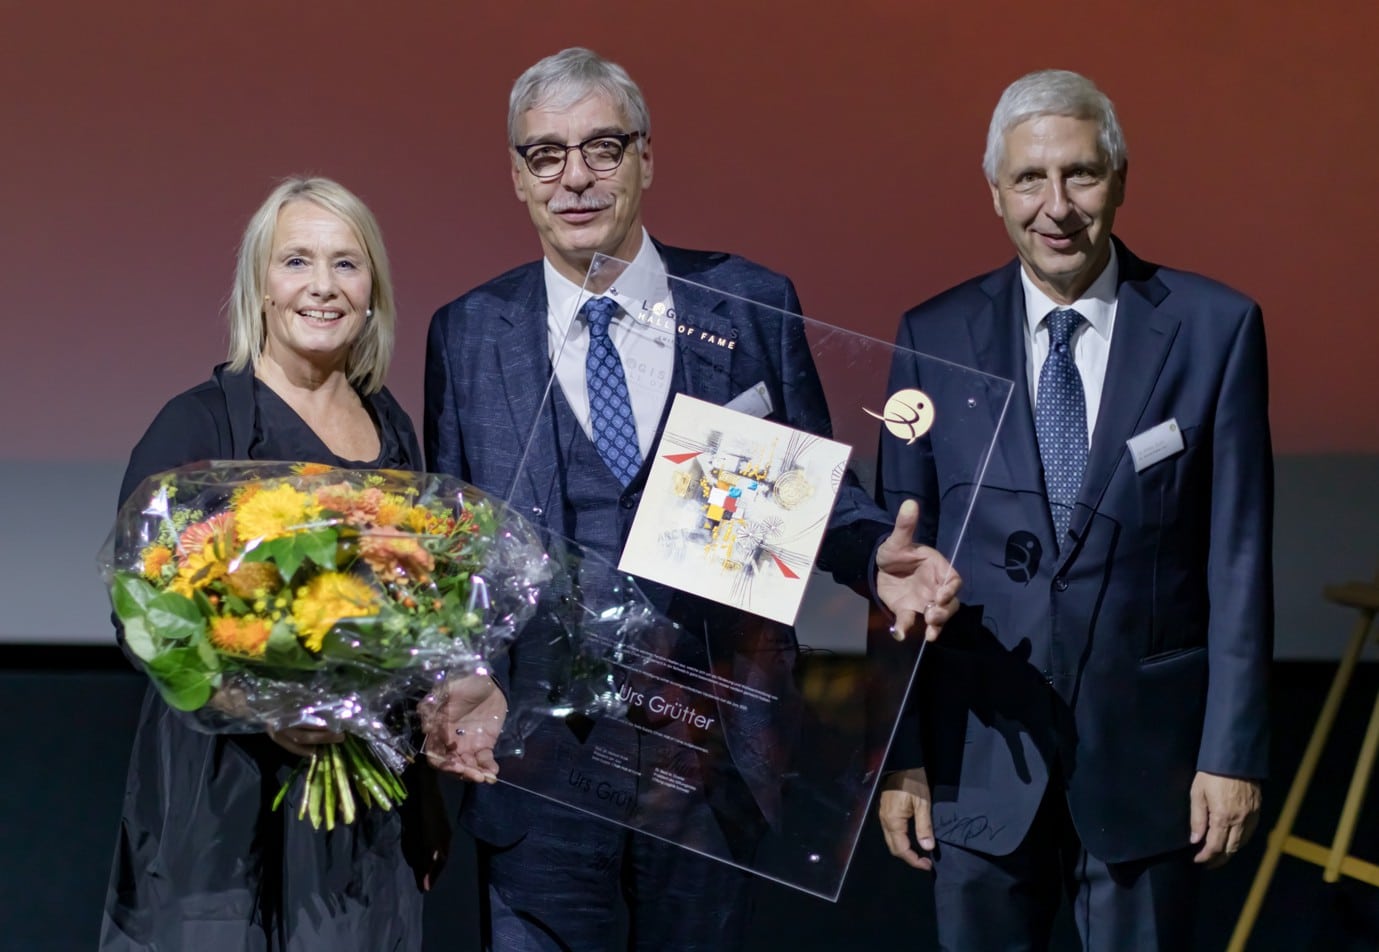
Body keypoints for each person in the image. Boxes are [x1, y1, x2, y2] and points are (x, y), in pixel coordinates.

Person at [423, 47, 960, 951]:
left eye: (602, 147)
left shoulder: (746, 305)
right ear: (517, 177)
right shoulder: (469, 332)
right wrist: (456, 677)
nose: (575, 177)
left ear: (645, 158)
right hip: (537, 764)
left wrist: (874, 555)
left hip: (707, 757)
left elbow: (813, 494)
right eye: (546, 155)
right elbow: (457, 549)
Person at [875, 69, 1273, 950]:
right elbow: (896, 560)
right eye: (1028, 179)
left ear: (1118, 181)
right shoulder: (929, 336)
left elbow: (1238, 559)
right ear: (994, 192)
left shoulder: (1216, 328)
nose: (1055, 206)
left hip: (1151, 762)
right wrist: (898, 756)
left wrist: (1231, 752)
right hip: (975, 758)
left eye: (1080, 174)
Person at [100, 176, 452, 951]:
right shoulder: (197, 425)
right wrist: (260, 705)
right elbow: (141, 613)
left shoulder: (392, 428)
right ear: (259, 285)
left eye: (346, 264)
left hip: (362, 806)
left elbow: (421, 608)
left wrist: (426, 787)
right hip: (223, 800)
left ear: (372, 290)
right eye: (296, 261)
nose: (322, 286)